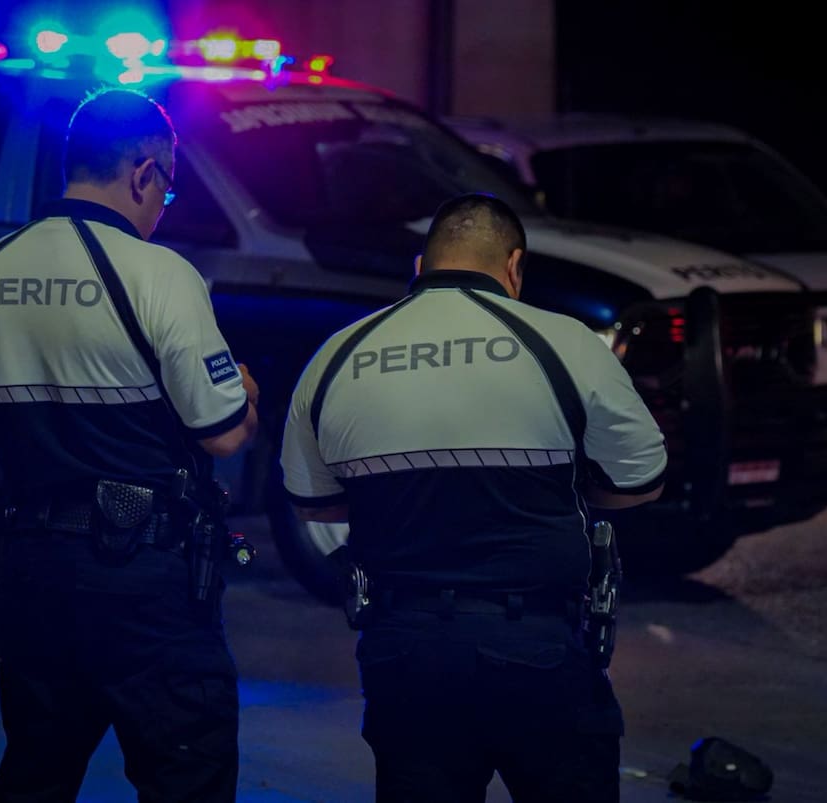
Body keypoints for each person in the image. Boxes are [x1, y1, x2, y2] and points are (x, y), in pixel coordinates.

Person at [281, 193, 667, 802]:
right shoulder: (564, 343)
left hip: (404, 651)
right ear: (514, 266)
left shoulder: (336, 356)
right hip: (537, 648)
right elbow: (642, 480)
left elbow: (312, 504)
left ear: (419, 266)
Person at [0, 87, 258, 802]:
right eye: (169, 189)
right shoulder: (159, 273)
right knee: (189, 773)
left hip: (30, 579)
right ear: (144, 173)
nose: (163, 207)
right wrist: (244, 400)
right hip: (144, 584)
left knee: (36, 771)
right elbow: (219, 434)